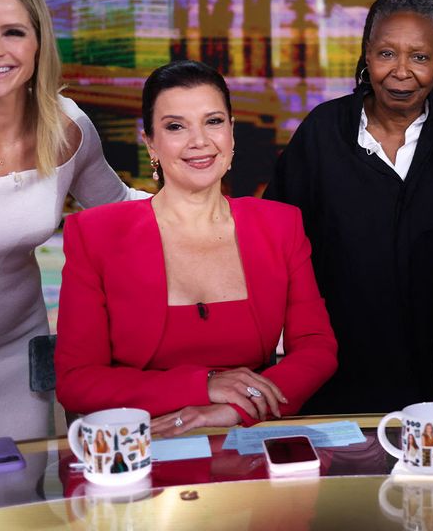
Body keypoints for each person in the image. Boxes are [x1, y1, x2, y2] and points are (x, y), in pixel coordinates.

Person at [55, 61, 337, 437]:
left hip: (244, 441)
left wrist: (237, 408)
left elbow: (316, 350)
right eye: (175, 126)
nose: (199, 140)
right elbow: (76, 382)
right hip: (142, 448)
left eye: (214, 121)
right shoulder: (96, 234)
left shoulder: (280, 225)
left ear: (232, 133)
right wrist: (203, 385)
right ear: (151, 142)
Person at [264, 0, 433, 413]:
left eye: (420, 57)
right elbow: (274, 247)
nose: (401, 71)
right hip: (340, 377)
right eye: (387, 54)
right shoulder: (321, 132)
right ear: (366, 54)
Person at [0, 0, 144, 449]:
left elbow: (118, 208)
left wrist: (213, 209)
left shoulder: (66, 127)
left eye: (13, 32)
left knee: (18, 505)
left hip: (20, 356)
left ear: (38, 44)